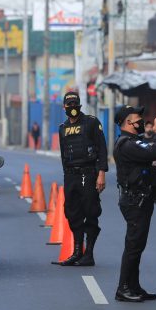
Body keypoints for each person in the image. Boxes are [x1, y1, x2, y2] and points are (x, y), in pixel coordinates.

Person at [113, 106, 156, 302]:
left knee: (138, 245)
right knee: (133, 245)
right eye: (138, 119)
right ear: (128, 122)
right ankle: (124, 288)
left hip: (140, 199)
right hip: (134, 201)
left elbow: (151, 148)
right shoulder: (126, 144)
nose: (142, 122)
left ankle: (134, 287)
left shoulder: (135, 141)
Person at [52, 91, 108, 266]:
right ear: (64, 107)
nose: (72, 107)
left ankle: (88, 254)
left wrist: (101, 174)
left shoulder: (91, 122)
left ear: (79, 104)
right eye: (69, 104)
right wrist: (66, 176)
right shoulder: (62, 128)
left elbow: (102, 149)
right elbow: (63, 155)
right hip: (70, 175)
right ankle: (77, 251)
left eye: (75, 103)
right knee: (72, 212)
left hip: (88, 174)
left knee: (90, 212)